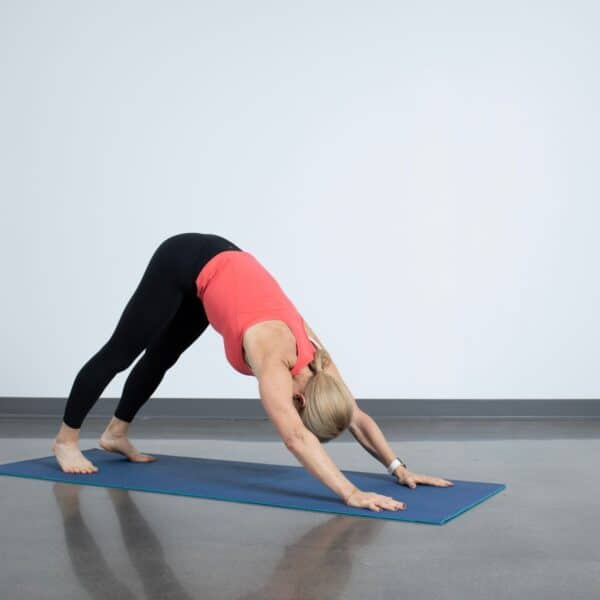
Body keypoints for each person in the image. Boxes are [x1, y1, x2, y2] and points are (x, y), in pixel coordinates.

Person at [53, 232, 453, 513]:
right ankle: (66, 441)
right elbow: (295, 439)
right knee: (120, 353)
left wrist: (397, 467)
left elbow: (357, 418)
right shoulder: (273, 359)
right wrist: (351, 493)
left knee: (161, 358)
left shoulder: (322, 367)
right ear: (299, 400)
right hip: (185, 258)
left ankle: (114, 434)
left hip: (220, 273)